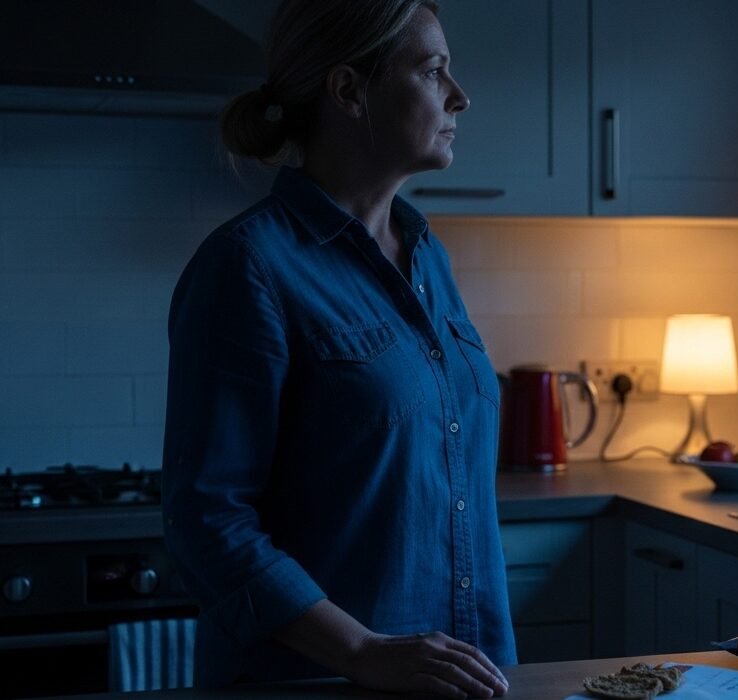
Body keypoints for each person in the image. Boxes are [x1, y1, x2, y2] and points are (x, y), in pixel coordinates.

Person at [161, 1, 513, 696]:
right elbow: (208, 522)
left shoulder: (427, 256)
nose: (460, 96)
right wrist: (363, 651)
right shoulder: (248, 266)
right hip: (318, 684)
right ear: (350, 91)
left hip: (468, 680)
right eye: (434, 70)